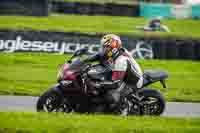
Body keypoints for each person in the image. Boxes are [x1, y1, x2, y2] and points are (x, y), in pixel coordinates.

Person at [84, 34, 143, 113]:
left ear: (113, 49)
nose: (104, 49)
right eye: (103, 47)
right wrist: (84, 60)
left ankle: (123, 110)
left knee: (111, 97)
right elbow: (99, 55)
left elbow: (115, 83)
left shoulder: (121, 61)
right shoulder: (115, 52)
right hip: (123, 74)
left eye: (106, 47)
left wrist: (98, 84)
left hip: (131, 82)